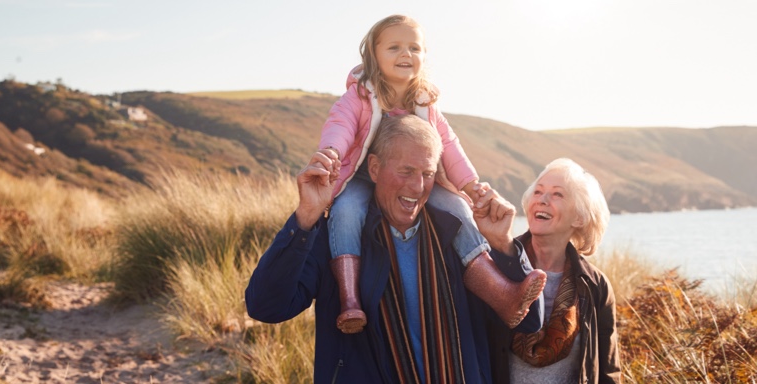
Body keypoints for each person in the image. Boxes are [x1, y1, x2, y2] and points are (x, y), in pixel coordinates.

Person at [246, 114, 543, 383]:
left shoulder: (458, 236)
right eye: (406, 171)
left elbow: (528, 322)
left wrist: (503, 244)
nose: (417, 186)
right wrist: (306, 217)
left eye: (427, 174)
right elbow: (267, 307)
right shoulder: (336, 239)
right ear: (374, 168)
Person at [318, 14, 545, 334]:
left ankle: (502, 293)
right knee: (346, 211)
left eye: (414, 48)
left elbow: (448, 145)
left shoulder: (426, 103)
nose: (405, 54)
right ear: (373, 53)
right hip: (362, 175)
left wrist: (470, 184)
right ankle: (350, 299)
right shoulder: (360, 96)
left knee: (459, 208)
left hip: (418, 178)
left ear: (424, 57)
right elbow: (340, 126)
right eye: (394, 47)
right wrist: (331, 153)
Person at [481, 158, 622, 383]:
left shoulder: (595, 285)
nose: (543, 200)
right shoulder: (494, 265)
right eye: (537, 192)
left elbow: (608, 370)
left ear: (579, 217)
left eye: (557, 194)